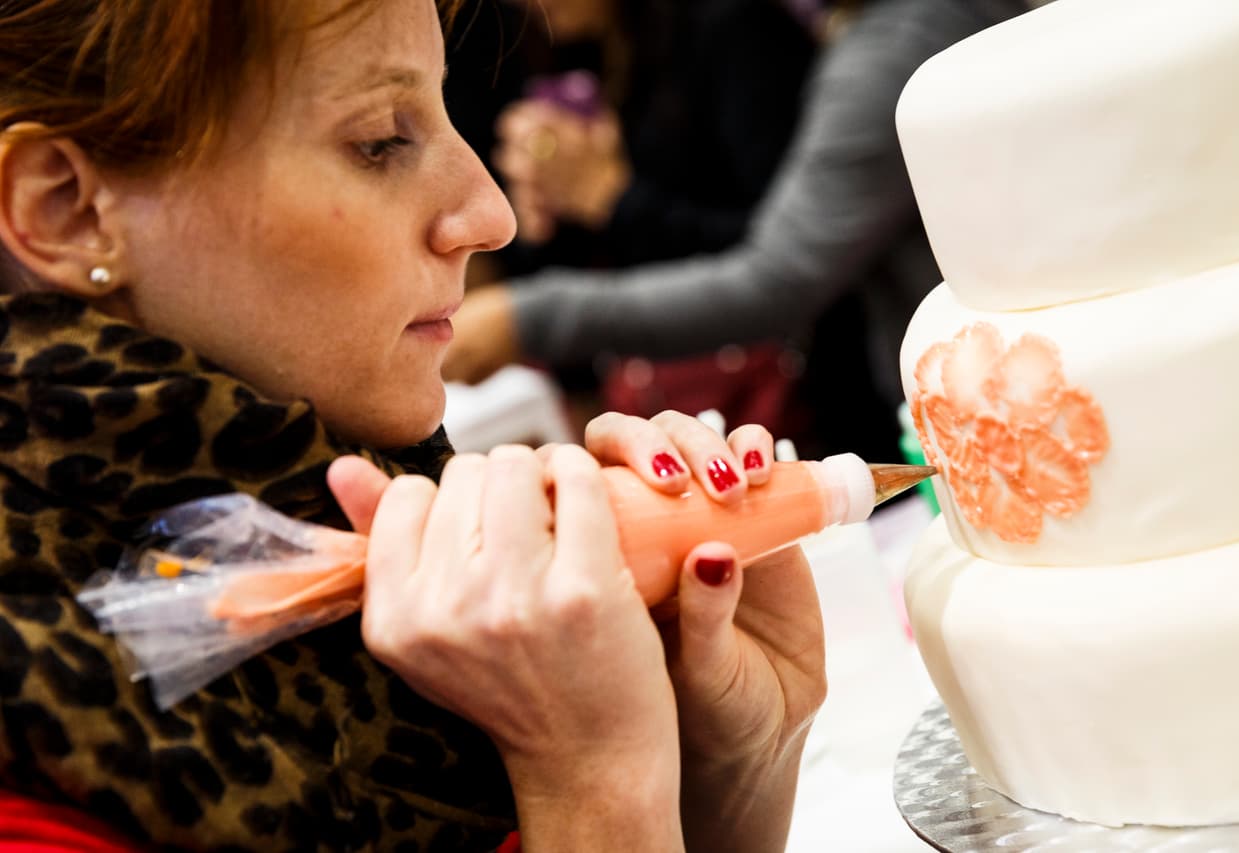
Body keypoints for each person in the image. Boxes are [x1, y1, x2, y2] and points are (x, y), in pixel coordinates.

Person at [0, 2, 825, 851]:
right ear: (66, 207)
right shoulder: (30, 766)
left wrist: (730, 762)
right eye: (380, 141)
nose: (489, 215)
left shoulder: (335, 489)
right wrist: (590, 780)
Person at [443, 0, 1032, 460]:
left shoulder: (819, 42)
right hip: (940, 390)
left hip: (918, 401)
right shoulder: (587, 54)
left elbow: (776, 271)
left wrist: (539, 306)